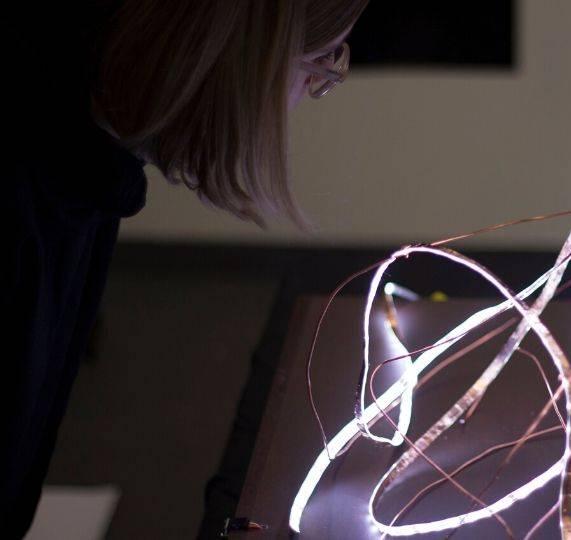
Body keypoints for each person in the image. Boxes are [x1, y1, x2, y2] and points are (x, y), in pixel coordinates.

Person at [1, 1, 368, 536]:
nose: (305, 96)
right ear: (246, 58)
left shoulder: (86, 166)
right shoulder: (22, 208)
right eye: (318, 64)